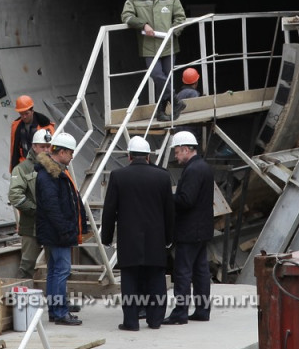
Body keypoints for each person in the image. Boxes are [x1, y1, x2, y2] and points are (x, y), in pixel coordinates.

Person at [100, 135, 175, 331]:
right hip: (156, 239)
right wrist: (169, 238)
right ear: (149, 156)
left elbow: (109, 211)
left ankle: (131, 322)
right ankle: (156, 320)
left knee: (130, 280)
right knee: (156, 279)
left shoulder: (118, 176)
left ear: (129, 156)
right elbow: (169, 211)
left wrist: (106, 237)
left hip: (129, 240)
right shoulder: (163, 176)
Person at [35, 131, 89, 326]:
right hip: (57, 233)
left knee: (54, 271)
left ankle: (55, 309)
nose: (73, 156)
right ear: (62, 152)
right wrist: (66, 229)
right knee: (61, 270)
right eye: (71, 152)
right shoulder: (50, 175)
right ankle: (59, 312)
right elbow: (52, 208)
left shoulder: (55, 172)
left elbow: (69, 200)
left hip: (54, 232)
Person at [121, 0, 186, 117]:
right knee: (157, 75)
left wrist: (173, 31)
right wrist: (143, 25)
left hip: (169, 44)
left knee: (164, 79)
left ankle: (161, 112)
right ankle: (176, 101)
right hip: (149, 46)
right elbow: (126, 16)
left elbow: (180, 18)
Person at [165, 130, 213, 324]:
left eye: (177, 152)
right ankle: (202, 310)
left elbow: (186, 200)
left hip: (189, 230)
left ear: (185, 149)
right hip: (202, 229)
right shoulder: (203, 167)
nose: (176, 157)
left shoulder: (193, 170)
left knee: (183, 271)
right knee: (201, 270)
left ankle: (180, 312)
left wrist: (167, 198)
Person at [8, 128, 53, 280]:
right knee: (27, 264)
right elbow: (15, 195)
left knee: (55, 265)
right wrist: (35, 210)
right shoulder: (22, 168)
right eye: (42, 147)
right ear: (34, 147)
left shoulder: (54, 168)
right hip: (31, 225)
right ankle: (22, 299)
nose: (46, 150)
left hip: (51, 225)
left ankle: (57, 299)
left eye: (48, 147)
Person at [9, 94, 51, 170]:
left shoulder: (45, 126)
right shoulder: (16, 126)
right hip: (25, 164)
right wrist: (13, 169)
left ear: (32, 111)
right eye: (21, 114)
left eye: (26, 113)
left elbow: (52, 148)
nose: (24, 116)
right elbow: (14, 149)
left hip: (42, 165)